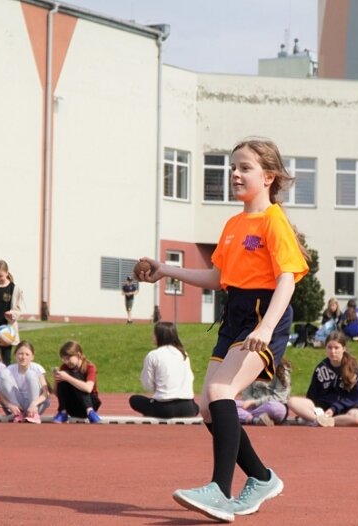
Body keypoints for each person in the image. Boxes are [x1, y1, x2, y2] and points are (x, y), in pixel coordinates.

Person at [135, 138, 309, 522]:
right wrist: (165, 269)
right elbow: (217, 277)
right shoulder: (233, 224)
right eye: (233, 167)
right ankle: (261, 478)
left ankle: (219, 490)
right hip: (235, 315)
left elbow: (287, 279)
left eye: (244, 168)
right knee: (208, 409)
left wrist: (266, 326)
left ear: (268, 176)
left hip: (265, 313)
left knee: (220, 390)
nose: (234, 174)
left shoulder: (273, 220)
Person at [286, 331, 358, 427]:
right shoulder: (321, 368)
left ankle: (328, 421)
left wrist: (334, 409)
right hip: (323, 410)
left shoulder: (353, 369)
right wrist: (313, 409)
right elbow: (312, 395)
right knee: (291, 401)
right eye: (329, 347)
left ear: (343, 348)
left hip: (347, 409)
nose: (333, 351)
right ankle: (318, 420)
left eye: (336, 348)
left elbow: (355, 398)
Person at [128, 321, 200, 419]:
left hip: (165, 408)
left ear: (159, 336)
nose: (152, 336)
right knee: (197, 406)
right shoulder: (184, 354)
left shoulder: (153, 355)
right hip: (188, 408)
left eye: (154, 334)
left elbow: (148, 386)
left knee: (134, 400)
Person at [0, 341, 50, 424]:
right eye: (20, 354)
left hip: (35, 404)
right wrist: (10, 405)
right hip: (17, 404)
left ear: (32, 357)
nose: (23, 357)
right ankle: (18, 414)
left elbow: (45, 394)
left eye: (27, 354)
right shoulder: (10, 370)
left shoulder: (37, 368)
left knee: (30, 374)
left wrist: (33, 404)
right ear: (15, 355)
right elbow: (1, 395)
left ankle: (33, 414)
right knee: (3, 373)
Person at [52, 341, 102, 423]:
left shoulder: (90, 367)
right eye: (64, 359)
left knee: (73, 375)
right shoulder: (64, 367)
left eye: (68, 358)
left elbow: (88, 388)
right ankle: (63, 412)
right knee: (63, 375)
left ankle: (90, 412)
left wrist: (68, 378)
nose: (66, 362)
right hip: (72, 406)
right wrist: (56, 379)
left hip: (90, 402)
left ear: (78, 355)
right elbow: (56, 393)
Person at [235, 358, 292, 426]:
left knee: (274, 408)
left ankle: (245, 416)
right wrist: (249, 402)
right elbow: (247, 393)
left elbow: (280, 397)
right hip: (252, 407)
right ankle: (255, 419)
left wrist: (254, 402)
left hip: (272, 406)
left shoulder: (281, 370)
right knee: (230, 404)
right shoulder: (251, 368)